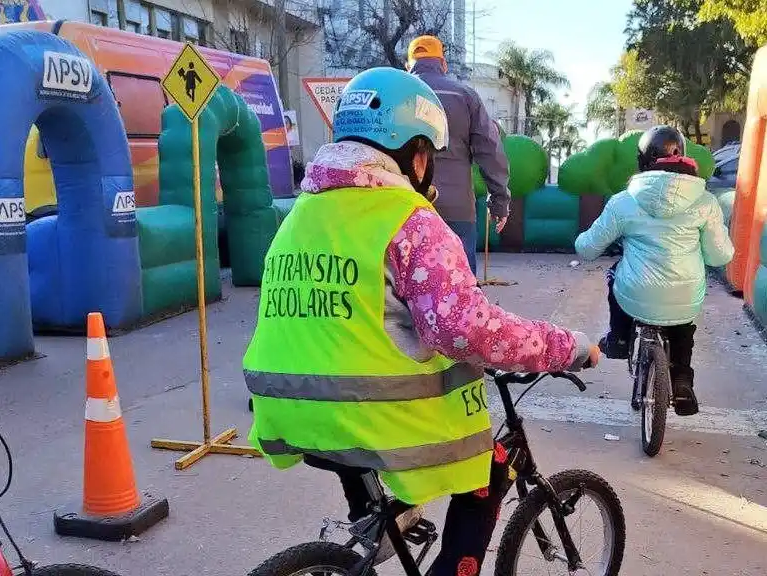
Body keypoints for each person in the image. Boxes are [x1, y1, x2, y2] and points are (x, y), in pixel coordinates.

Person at [243, 67, 599, 576]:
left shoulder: (301, 214)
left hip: (284, 407)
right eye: (430, 154)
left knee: (354, 451)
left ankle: (378, 519)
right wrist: (567, 347)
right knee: (489, 466)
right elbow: (465, 329)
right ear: (413, 153)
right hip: (368, 413)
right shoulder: (408, 221)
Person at [575, 125, 734, 416]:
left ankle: (619, 338)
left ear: (642, 160)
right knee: (682, 322)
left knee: (615, 275)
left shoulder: (624, 201)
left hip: (636, 291)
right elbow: (718, 255)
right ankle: (682, 379)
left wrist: (580, 240)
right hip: (685, 293)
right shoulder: (706, 202)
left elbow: (587, 248)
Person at [406, 35, 510, 275]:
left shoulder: (395, 93)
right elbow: (490, 151)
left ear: (408, 65)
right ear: (443, 64)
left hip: (406, 205)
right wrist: (499, 203)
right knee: (460, 283)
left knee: (407, 283)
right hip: (457, 208)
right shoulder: (465, 96)